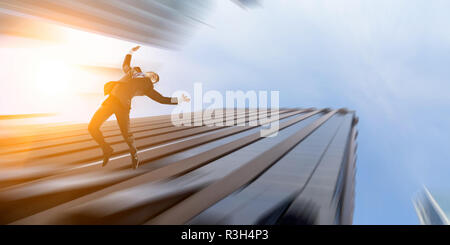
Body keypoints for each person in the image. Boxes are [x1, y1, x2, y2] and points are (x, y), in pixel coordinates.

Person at [88, 45, 190, 169]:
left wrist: (179, 100)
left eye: (154, 79)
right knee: (92, 127)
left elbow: (161, 99)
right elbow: (125, 66)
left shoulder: (147, 87)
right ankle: (107, 149)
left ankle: (134, 153)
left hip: (123, 107)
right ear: (148, 72)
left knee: (127, 135)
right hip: (110, 101)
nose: (153, 76)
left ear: (152, 83)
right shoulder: (134, 71)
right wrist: (130, 52)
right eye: (153, 74)